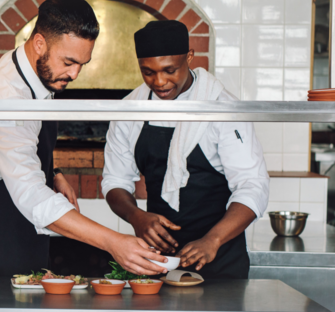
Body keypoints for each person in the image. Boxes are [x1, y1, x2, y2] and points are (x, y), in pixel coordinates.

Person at [0, 0, 168, 281]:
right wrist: (113, 242)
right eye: (69, 62)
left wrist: (54, 171)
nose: (74, 74)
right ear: (39, 43)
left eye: (82, 64)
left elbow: (22, 142)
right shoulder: (7, 97)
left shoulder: (31, 65)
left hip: (8, 216)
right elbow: (31, 195)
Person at [102, 20, 269, 279]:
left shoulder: (222, 108)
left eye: (170, 70)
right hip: (158, 258)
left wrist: (212, 240)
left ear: (189, 57)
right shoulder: (130, 110)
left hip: (220, 256)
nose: (159, 81)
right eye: (148, 72)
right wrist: (136, 217)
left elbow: (253, 185)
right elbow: (115, 181)